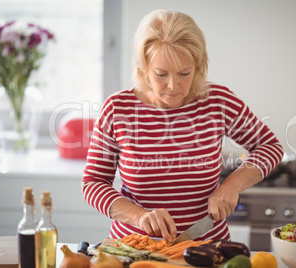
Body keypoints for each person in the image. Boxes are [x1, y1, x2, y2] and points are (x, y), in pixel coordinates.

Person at [82, 9, 284, 244]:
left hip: (207, 247)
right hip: (135, 248)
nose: (173, 85)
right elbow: (93, 183)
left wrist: (232, 185)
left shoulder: (217, 101)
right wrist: (139, 217)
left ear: (198, 66)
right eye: (161, 74)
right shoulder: (118, 109)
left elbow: (269, 146)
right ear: (143, 67)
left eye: (184, 73)